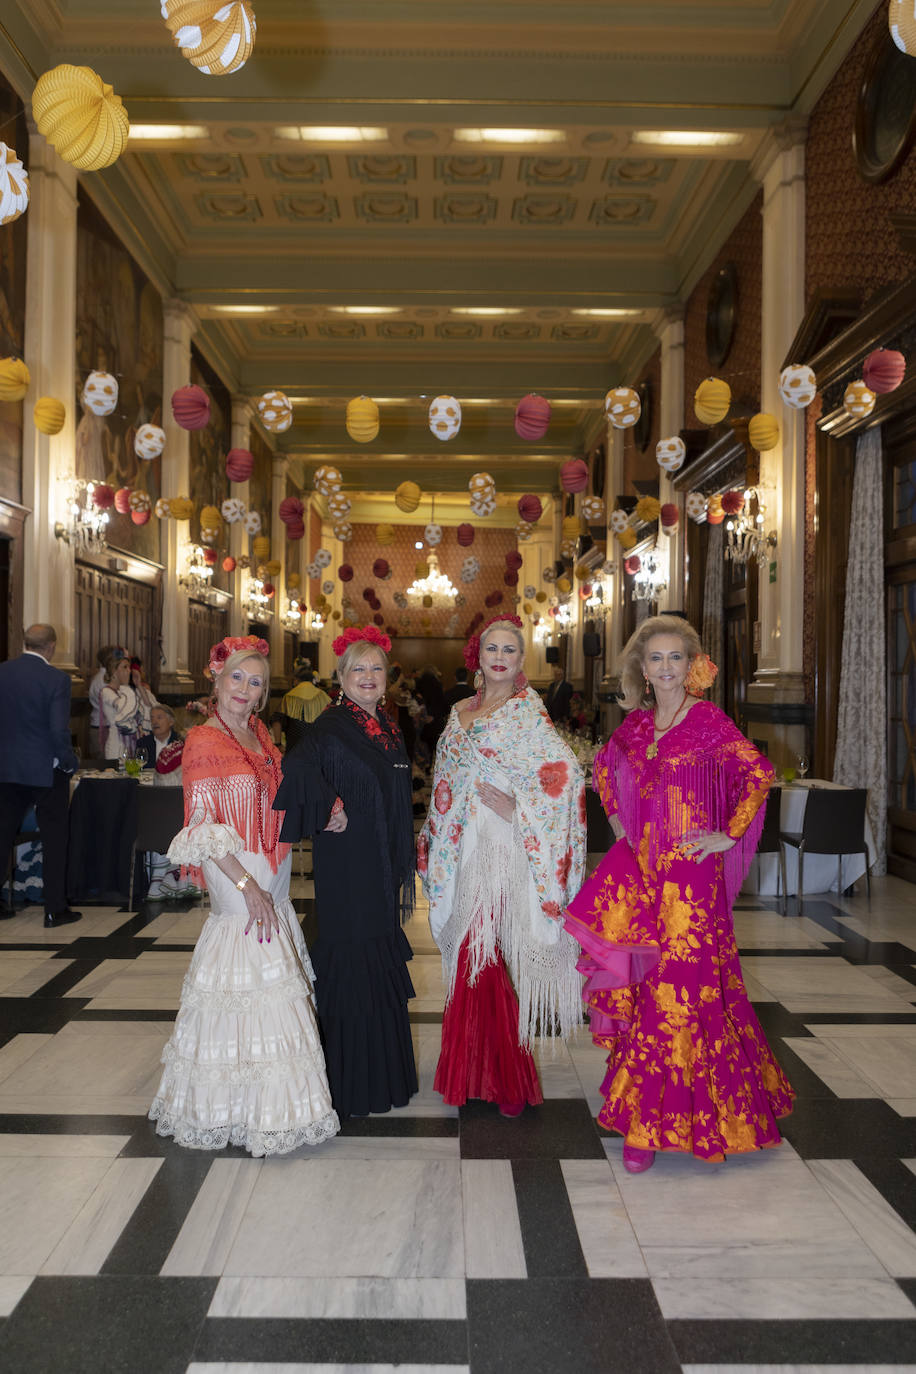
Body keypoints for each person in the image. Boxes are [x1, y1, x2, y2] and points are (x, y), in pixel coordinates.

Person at [563, 614, 794, 1173]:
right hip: (642, 876)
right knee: (650, 986)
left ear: (690, 666)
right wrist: (620, 828)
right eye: (655, 659)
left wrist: (728, 833)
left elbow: (758, 773)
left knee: (683, 993)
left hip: (691, 883)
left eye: (675, 658)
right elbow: (602, 769)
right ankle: (651, 1113)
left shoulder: (708, 720)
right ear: (641, 669)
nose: (665, 668)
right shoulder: (636, 728)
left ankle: (660, 1125)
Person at [149, 634, 339, 1155]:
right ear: (217, 678)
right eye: (237, 676)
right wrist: (245, 884)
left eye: (255, 683)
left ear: (261, 695)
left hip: (270, 870)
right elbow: (202, 828)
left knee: (270, 979)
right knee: (246, 969)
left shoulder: (260, 737)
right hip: (237, 873)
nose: (245, 688)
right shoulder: (204, 740)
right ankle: (236, 1108)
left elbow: (281, 798)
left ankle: (268, 1103)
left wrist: (327, 809)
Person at [419, 615, 584, 1117]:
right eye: (492, 647)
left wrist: (520, 811)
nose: (499, 657)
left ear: (520, 661)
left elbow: (566, 776)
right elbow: (445, 778)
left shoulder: (527, 714)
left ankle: (504, 1079)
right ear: (478, 655)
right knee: (474, 961)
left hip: (503, 850)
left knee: (482, 957)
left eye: (510, 650)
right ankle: (472, 1073)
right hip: (462, 848)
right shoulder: (459, 710)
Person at [274, 625, 418, 1119]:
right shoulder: (332, 725)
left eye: (377, 668)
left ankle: (386, 1073)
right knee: (352, 957)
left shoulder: (385, 725)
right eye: (359, 668)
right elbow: (293, 770)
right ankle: (354, 1083)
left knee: (376, 954)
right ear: (341, 677)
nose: (369, 676)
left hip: (378, 867)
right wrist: (328, 803)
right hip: (348, 868)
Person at [0, 624, 81, 926]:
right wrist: (70, 762)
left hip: (6, 769)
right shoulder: (56, 679)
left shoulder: (3, 672)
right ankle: (54, 909)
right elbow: (58, 730)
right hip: (44, 771)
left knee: (2, 835)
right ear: (51, 647)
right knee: (55, 838)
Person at [272, 657, 330, 753]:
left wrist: (278, 744)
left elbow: (276, 720)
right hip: (318, 749)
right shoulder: (323, 696)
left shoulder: (289, 696)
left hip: (294, 749)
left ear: (296, 680)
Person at [99, 654, 143, 759]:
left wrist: (139, 685)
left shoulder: (125, 691)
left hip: (131, 742)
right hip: (117, 745)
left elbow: (143, 710)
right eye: (125, 667)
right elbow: (124, 709)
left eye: (129, 667)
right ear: (114, 671)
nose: (129, 671)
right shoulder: (107, 692)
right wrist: (125, 685)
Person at [88, 644, 125, 756]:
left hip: (102, 725)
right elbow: (119, 705)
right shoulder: (104, 680)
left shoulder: (101, 677)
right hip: (103, 728)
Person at [129, 657, 158, 734]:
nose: (144, 672)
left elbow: (149, 705)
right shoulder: (130, 690)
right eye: (142, 670)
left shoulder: (143, 688)